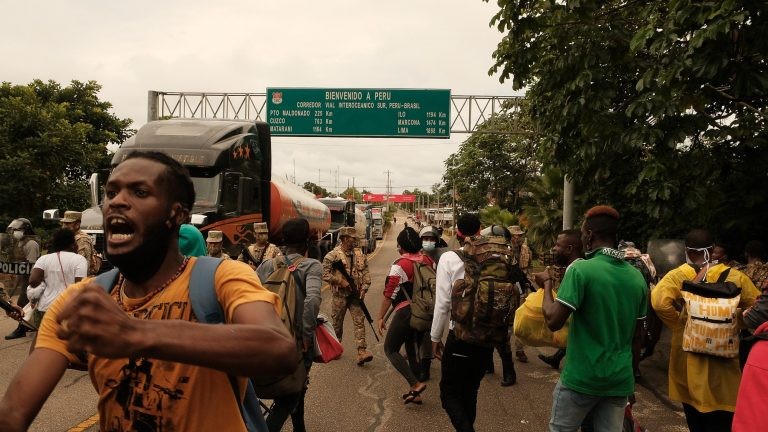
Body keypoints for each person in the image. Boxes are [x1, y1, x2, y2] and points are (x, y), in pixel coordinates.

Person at [0, 150, 296, 432]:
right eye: (111, 192)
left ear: (177, 214)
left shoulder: (223, 277)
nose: (117, 202)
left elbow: (278, 349)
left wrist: (137, 333)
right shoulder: (81, 301)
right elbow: (13, 414)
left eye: (140, 192)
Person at [541, 205, 647, 431]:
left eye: (582, 234)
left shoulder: (582, 271)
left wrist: (547, 284)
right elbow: (637, 337)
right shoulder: (637, 277)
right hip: (619, 381)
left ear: (589, 236)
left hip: (582, 378)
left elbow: (553, 320)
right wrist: (630, 383)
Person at [651, 229, 759, 432]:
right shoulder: (735, 277)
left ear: (687, 252)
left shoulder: (678, 275)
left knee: (696, 421)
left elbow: (659, 303)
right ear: (712, 250)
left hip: (688, 362)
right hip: (724, 361)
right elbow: (759, 306)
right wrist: (735, 322)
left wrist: (682, 326)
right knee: (722, 420)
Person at [256, 218, 322, 432]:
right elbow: (312, 301)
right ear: (306, 241)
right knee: (293, 391)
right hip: (295, 340)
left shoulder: (267, 265)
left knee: (296, 386)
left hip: (267, 335)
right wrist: (306, 337)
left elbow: (253, 298)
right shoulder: (312, 265)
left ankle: (299, 428)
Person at [430, 213, 489, 432]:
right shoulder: (495, 258)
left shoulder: (449, 258)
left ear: (457, 232)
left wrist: (435, 337)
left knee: (449, 394)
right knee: (471, 390)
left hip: (461, 336)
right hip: (487, 335)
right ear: (480, 230)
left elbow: (443, 303)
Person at [377, 227, 434, 404]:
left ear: (400, 246)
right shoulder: (428, 260)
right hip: (423, 312)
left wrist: (380, 317)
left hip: (405, 312)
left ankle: (415, 384)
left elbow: (389, 293)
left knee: (391, 349)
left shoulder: (400, 265)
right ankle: (415, 392)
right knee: (411, 349)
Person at [323, 226, 373, 365]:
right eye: (352, 238)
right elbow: (324, 273)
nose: (355, 241)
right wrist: (340, 281)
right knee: (337, 323)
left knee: (359, 321)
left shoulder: (359, 254)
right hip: (340, 295)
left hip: (355, 295)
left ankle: (361, 351)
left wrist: (365, 287)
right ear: (344, 239)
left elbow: (366, 272)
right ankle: (336, 347)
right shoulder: (333, 255)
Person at [535, 229, 584, 370]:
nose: (554, 249)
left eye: (557, 245)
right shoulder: (580, 267)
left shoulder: (575, 270)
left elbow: (553, 321)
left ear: (569, 249)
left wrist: (547, 282)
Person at [26, 229, 88, 328]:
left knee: (43, 338)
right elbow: (80, 286)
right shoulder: (79, 259)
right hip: (68, 309)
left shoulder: (44, 259)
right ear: (72, 244)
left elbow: (33, 281)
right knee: (65, 340)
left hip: (46, 308)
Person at [4, 217, 40, 340]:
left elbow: (31, 264)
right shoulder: (20, 243)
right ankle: (28, 325)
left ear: (26, 230)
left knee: (23, 303)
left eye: (17, 230)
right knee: (26, 303)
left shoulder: (31, 244)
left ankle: (23, 328)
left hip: (31, 277)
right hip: (24, 276)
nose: (15, 233)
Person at [509, 225, 531, 363]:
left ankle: (519, 349)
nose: (518, 237)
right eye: (515, 235)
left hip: (522, 287)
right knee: (506, 318)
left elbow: (528, 267)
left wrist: (528, 282)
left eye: (519, 235)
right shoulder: (503, 249)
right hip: (508, 287)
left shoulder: (525, 249)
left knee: (521, 318)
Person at [60, 211, 97, 276]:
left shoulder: (82, 239)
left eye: (68, 223)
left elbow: (83, 266)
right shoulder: (69, 237)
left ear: (77, 224)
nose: (64, 226)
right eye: (64, 223)